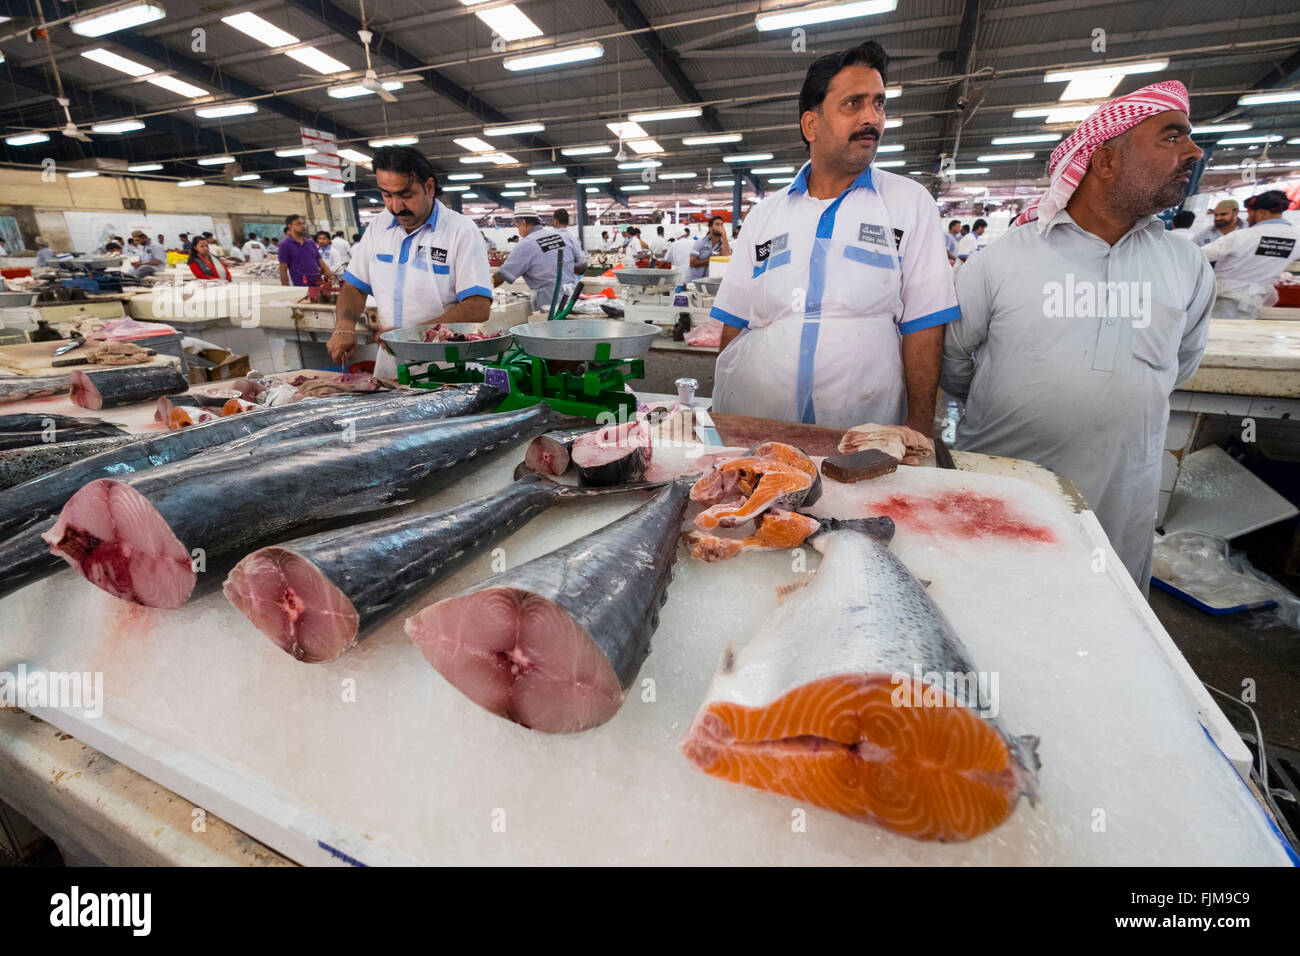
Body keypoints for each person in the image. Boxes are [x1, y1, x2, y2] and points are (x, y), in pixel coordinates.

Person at [940, 80, 1214, 592]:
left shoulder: (1186, 265)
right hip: (1004, 490)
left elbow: (1179, 365)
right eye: (1172, 137)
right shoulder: (1002, 261)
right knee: (994, 610)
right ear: (1105, 162)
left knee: (1106, 625)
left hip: (1121, 503)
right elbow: (953, 363)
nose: (1194, 153)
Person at [709, 40, 958, 432]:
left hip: (861, 431)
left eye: (879, 103)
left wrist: (920, 425)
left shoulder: (909, 204)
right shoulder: (766, 215)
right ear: (811, 124)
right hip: (761, 423)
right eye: (853, 104)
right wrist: (722, 417)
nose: (872, 118)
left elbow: (924, 325)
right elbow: (734, 323)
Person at [327, 146, 492, 380]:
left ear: (429, 188)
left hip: (447, 369)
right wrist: (344, 325)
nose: (396, 207)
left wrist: (412, 336)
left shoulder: (460, 231)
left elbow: (478, 306)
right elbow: (354, 287)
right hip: (390, 368)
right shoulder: (379, 227)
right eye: (387, 195)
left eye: (406, 195)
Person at [1202, 189, 1300, 318]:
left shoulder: (1244, 236)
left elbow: (1200, 254)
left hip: (1224, 298)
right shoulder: (1297, 238)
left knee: (1216, 333)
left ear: (1260, 213)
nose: (1248, 218)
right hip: (1256, 301)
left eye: (1249, 213)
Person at [493, 202, 576, 309]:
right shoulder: (559, 236)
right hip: (572, 297)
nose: (519, 231)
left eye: (517, 227)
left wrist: (482, 289)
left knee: (548, 326)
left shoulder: (526, 244)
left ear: (523, 223)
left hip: (549, 302)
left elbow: (501, 276)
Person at [279, 215, 335, 287]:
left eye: (303, 223)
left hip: (318, 284)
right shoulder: (285, 245)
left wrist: (331, 278)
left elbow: (321, 263)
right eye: (299, 223)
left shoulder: (310, 243)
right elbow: (283, 269)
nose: (303, 226)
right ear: (290, 226)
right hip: (301, 285)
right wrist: (285, 288)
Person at [688, 215, 730, 282]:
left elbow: (726, 257)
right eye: (717, 224)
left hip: (712, 282)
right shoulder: (700, 242)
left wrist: (724, 236)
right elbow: (692, 263)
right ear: (710, 228)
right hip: (696, 281)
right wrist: (713, 259)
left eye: (722, 225)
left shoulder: (724, 244)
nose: (720, 227)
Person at [552, 208, 587, 276]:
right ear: (567, 222)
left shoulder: (546, 238)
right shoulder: (573, 239)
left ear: (556, 221)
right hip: (568, 281)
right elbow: (582, 263)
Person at [667, 226, 695, 290]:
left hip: (679, 273)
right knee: (691, 292)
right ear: (685, 234)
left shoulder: (674, 244)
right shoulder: (693, 241)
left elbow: (667, 259)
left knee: (679, 294)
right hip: (691, 273)